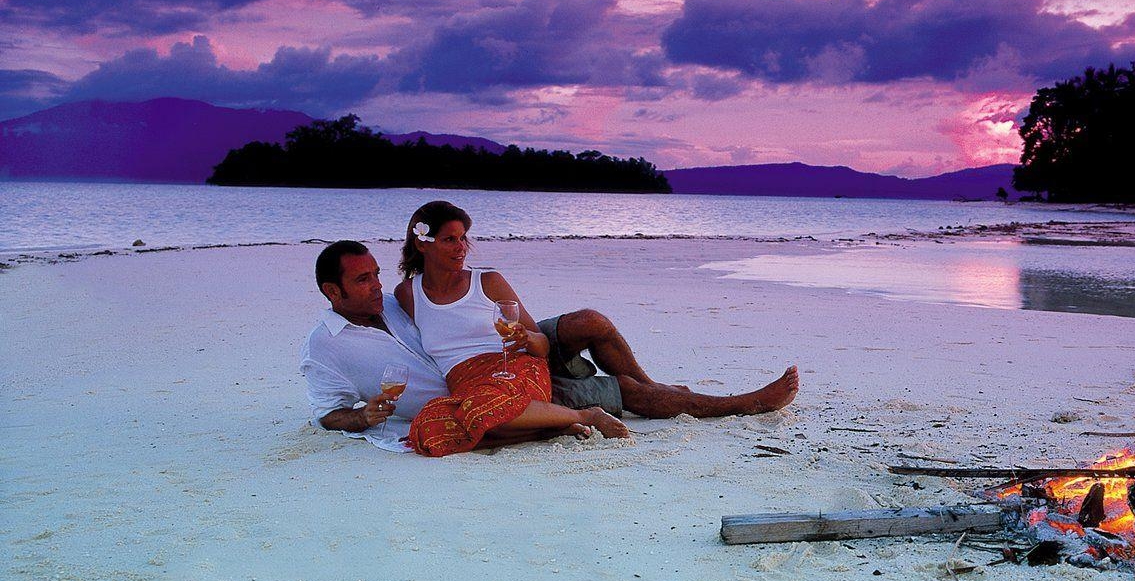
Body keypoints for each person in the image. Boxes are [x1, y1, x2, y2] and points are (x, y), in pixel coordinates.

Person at [396, 200, 799, 457]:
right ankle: (579, 416)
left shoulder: (488, 282)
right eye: (450, 240)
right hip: (476, 380)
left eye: (464, 238)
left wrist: (525, 338)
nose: (462, 248)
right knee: (445, 425)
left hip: (518, 360)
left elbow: (537, 343)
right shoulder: (406, 295)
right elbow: (364, 317)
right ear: (423, 243)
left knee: (592, 322)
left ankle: (737, 402)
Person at [300, 240, 573, 453]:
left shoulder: (395, 303)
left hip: (495, 374)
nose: (376, 285)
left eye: (376, 274)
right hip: (460, 405)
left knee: (587, 329)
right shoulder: (324, 345)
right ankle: (557, 424)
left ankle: (563, 416)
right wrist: (362, 416)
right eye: (363, 279)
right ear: (333, 291)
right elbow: (327, 414)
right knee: (436, 432)